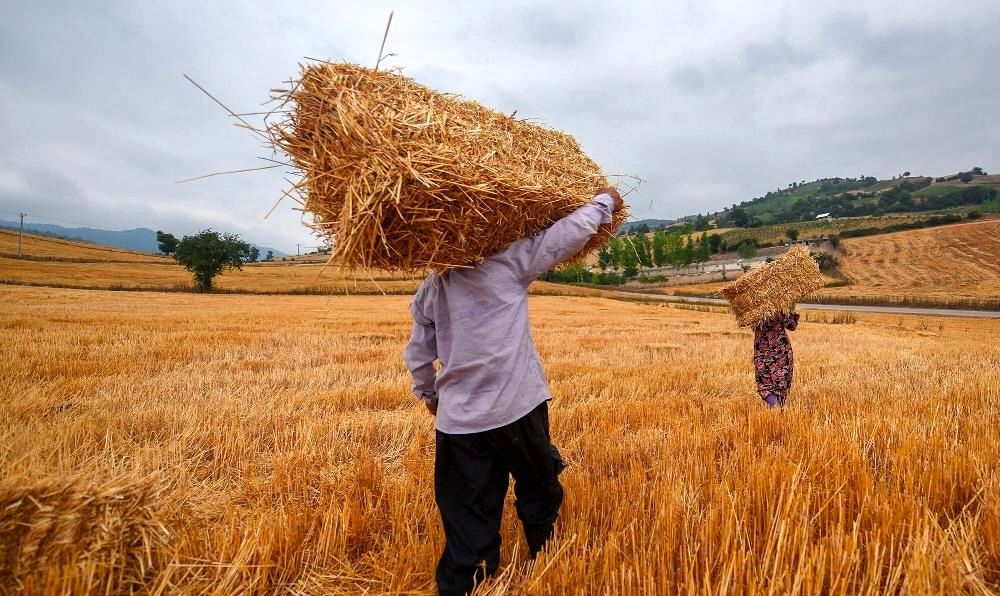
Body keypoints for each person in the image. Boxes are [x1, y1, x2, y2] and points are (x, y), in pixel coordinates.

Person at [404, 188, 624, 596]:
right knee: (539, 486)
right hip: (517, 409)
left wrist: (430, 396)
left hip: (459, 423)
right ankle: (546, 556)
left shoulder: (433, 286)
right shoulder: (508, 263)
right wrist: (604, 202)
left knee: (468, 511)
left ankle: (467, 584)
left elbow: (418, 354)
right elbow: (565, 234)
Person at [753, 311, 800, 408]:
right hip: (780, 351)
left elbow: (748, 324)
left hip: (763, 351)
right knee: (780, 384)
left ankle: (775, 410)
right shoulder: (778, 305)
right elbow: (792, 325)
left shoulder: (753, 306)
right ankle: (777, 408)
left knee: (765, 384)